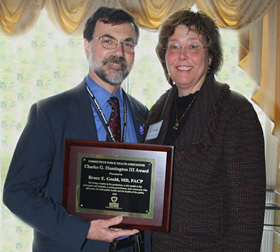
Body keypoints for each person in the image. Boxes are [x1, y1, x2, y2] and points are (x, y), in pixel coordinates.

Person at [3, 7, 151, 252]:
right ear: (86, 47)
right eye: (107, 41)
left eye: (128, 44)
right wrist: (83, 231)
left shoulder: (142, 113)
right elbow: (18, 193)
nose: (119, 52)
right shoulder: (49, 113)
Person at [144, 8, 266, 251]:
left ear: (210, 56)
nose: (182, 56)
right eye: (174, 47)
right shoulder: (158, 110)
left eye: (193, 46)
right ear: (164, 55)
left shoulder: (235, 112)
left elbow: (247, 216)